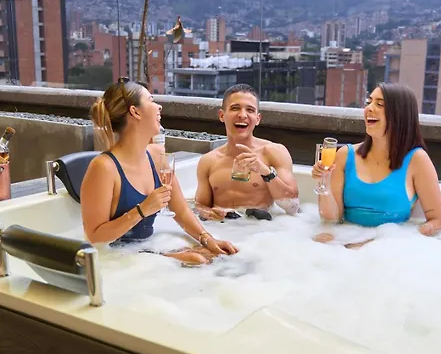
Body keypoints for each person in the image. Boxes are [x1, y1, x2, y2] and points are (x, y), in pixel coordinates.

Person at [80, 78, 238, 264]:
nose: (159, 107)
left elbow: (181, 210)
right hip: (115, 258)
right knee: (197, 260)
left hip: (145, 249)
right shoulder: (103, 168)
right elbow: (95, 237)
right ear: (135, 112)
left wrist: (208, 239)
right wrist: (142, 210)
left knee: (222, 256)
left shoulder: (156, 155)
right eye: (151, 100)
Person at [312, 82, 441, 243]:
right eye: (369, 102)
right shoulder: (345, 155)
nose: (369, 108)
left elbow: (438, 221)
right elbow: (332, 219)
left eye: (380, 104)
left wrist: (386, 242)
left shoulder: (417, 160)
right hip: (346, 242)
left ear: (399, 114)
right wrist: (324, 182)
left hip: (387, 250)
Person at [195, 84, 299, 221]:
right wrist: (209, 213)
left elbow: (293, 207)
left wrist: (266, 172)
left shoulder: (274, 152)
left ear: (258, 119)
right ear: (222, 115)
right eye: (235, 108)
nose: (242, 115)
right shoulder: (208, 161)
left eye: (250, 110)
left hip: (261, 228)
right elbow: (200, 206)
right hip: (220, 228)